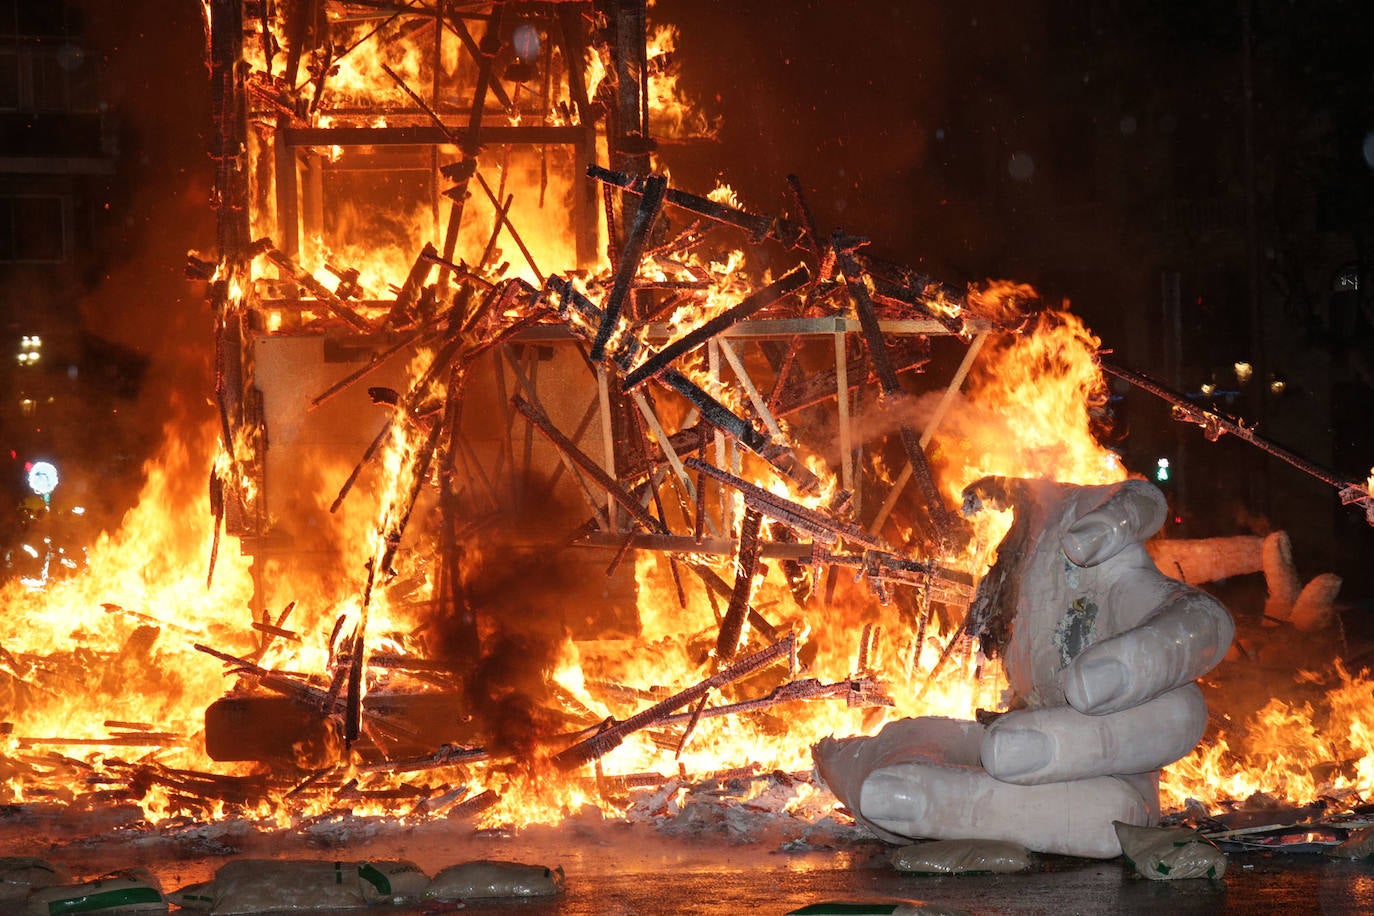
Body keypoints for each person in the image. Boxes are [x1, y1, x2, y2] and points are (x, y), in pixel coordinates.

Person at [814, 476, 1235, 858]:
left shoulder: (1106, 567)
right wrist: (863, 768)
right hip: (1010, 739)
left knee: (1108, 796)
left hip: (1104, 764)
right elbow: (893, 777)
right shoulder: (1036, 543)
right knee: (929, 779)